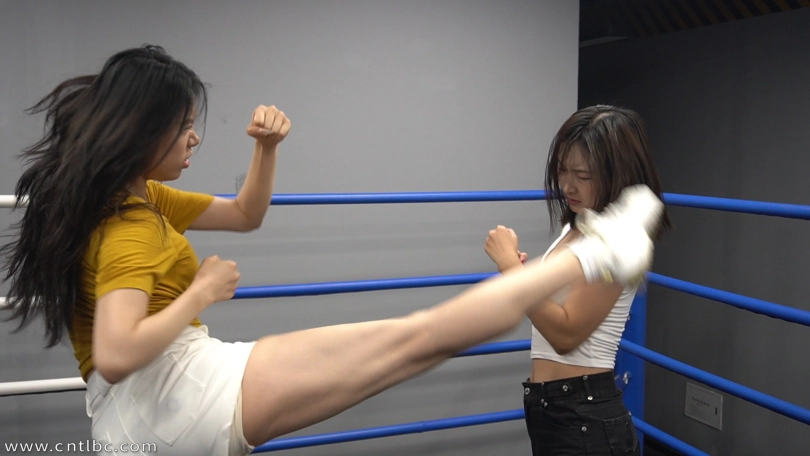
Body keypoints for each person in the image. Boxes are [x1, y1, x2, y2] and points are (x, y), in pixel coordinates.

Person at [0, 46, 664, 456]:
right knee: (420, 338)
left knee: (417, 342)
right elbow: (118, 354)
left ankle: (594, 256)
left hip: (161, 402)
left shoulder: (139, 197)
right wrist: (198, 294)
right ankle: (592, 257)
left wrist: (266, 150)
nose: (194, 139)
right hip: (170, 396)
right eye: (183, 127)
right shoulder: (129, 226)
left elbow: (246, 214)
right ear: (140, 131)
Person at [484, 105, 672, 456]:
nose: (567, 185)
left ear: (618, 174)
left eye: (582, 175)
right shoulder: (578, 226)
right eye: (562, 170)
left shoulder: (615, 240)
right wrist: (528, 276)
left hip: (583, 414)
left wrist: (511, 268)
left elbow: (566, 335)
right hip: (557, 410)